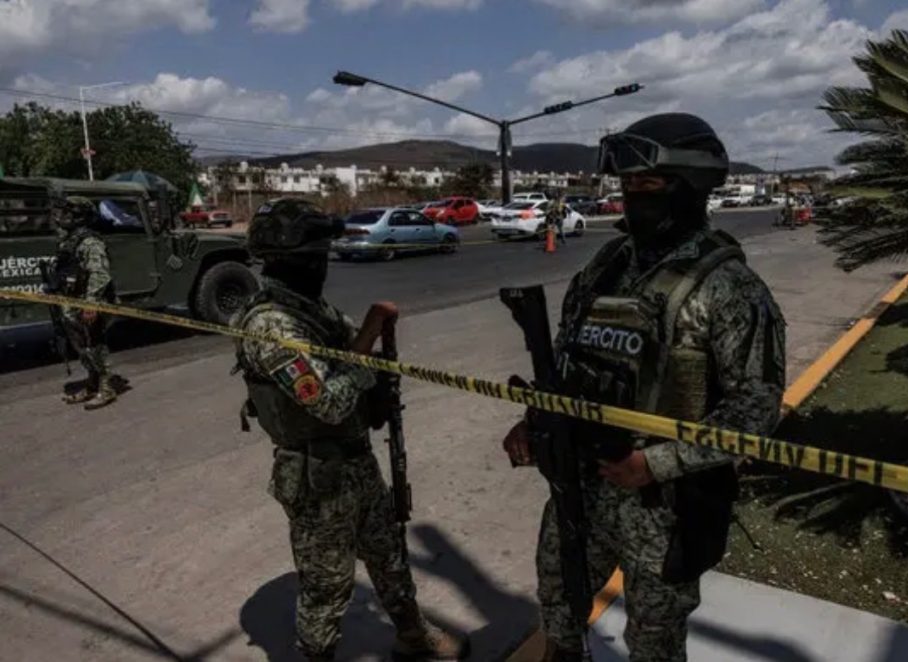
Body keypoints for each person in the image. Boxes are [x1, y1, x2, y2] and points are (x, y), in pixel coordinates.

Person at [503, 114, 786, 660]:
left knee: (654, 641)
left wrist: (655, 464)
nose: (634, 196)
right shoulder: (607, 265)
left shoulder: (728, 286)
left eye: (649, 183)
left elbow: (757, 408)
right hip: (580, 485)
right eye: (627, 184)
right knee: (559, 606)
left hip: (665, 505)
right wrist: (535, 421)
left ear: (690, 187)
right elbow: (570, 361)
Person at [232, 199, 468, 662]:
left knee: (388, 555)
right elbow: (330, 402)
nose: (323, 265)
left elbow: (348, 349)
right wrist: (371, 336)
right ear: (296, 261)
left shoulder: (308, 308)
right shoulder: (271, 325)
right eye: (317, 257)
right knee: (327, 585)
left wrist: (371, 343)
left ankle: (412, 634)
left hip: (354, 460)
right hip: (316, 475)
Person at [50, 196, 119, 409]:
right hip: (73, 302)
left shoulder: (91, 242)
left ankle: (106, 388)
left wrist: (91, 303)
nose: (62, 217)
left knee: (95, 344)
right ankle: (92, 384)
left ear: (80, 217)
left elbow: (100, 274)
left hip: (90, 303)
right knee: (83, 348)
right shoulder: (69, 240)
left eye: (67, 213)